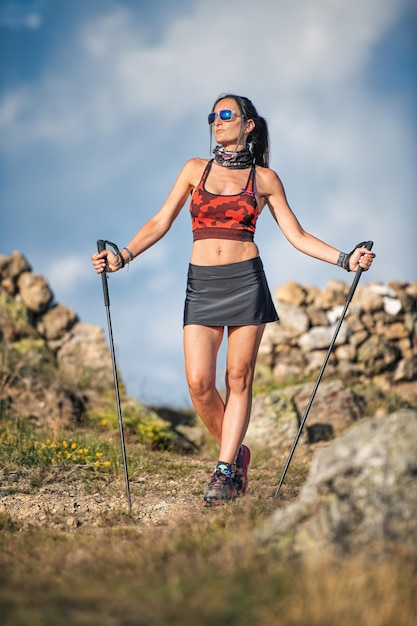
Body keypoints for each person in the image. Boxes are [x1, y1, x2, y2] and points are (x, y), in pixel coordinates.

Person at [91, 93, 375, 506]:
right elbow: (160, 220)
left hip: (246, 281)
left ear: (248, 125)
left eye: (225, 115)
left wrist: (346, 259)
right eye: (212, 116)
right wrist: (123, 256)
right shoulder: (194, 169)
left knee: (238, 378)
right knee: (199, 382)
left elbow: (297, 236)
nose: (216, 121)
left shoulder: (266, 179)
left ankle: (224, 472)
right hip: (202, 284)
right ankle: (237, 452)